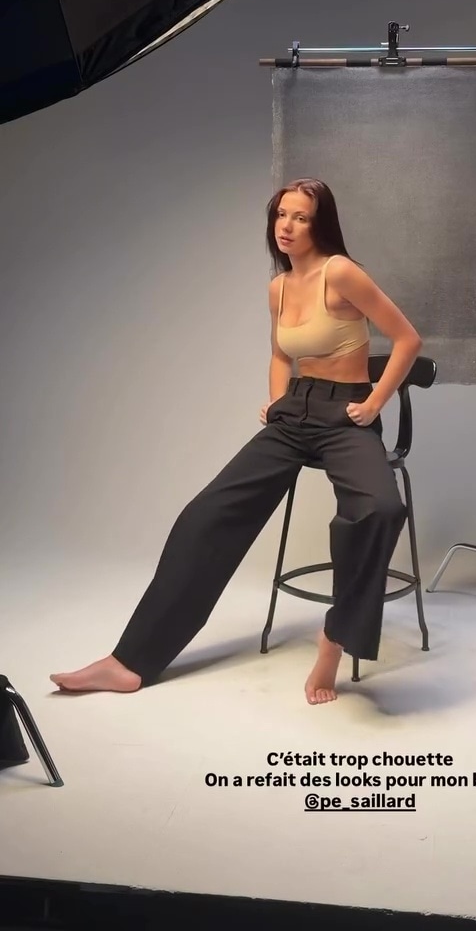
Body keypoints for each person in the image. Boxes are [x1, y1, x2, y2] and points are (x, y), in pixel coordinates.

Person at [50, 179, 422, 705]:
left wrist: (376, 402)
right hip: (295, 414)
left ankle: (335, 638)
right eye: (281, 215)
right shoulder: (279, 287)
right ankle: (129, 662)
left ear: (320, 225)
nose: (287, 226)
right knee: (203, 517)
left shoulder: (340, 272)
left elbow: (407, 338)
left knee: (380, 509)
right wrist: (277, 402)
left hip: (346, 416)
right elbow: (281, 354)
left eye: (301, 217)